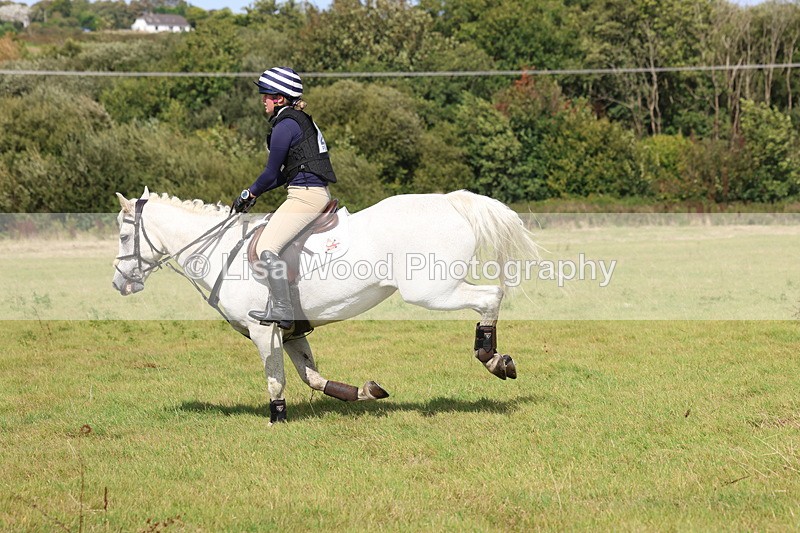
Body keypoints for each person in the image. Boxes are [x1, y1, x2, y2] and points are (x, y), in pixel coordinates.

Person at [232, 66, 337, 330]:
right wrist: (255, 193)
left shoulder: (285, 125)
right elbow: (284, 174)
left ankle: (283, 309)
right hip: (309, 192)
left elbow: (270, 173)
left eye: (266, 95)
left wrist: (248, 194)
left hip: (305, 197)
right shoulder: (298, 121)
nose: (263, 100)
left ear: (279, 98)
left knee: (266, 247)